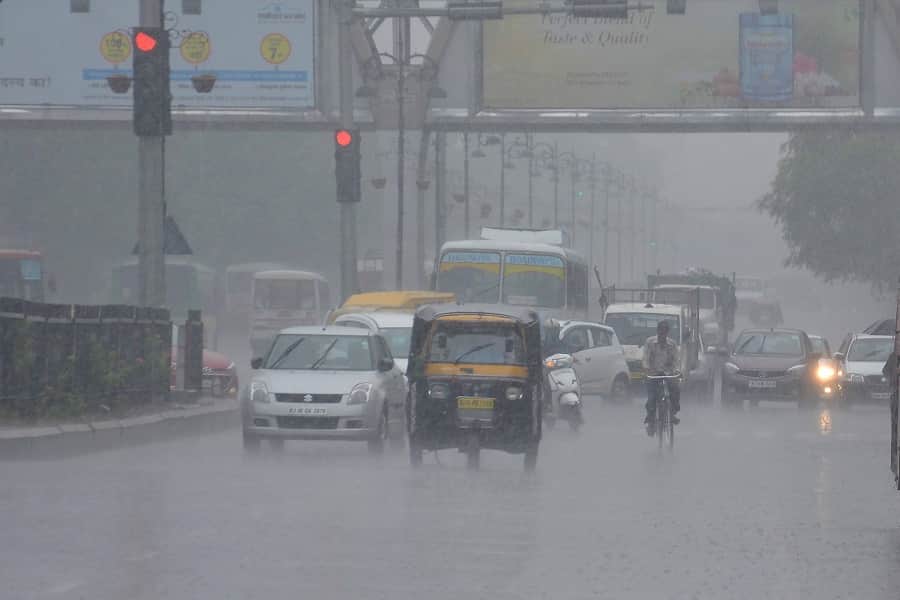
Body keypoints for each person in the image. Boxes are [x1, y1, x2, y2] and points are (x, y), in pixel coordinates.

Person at [643, 320, 680, 434]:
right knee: (651, 399)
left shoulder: (672, 344)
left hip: (668, 374)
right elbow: (646, 359)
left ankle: (672, 413)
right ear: (657, 332)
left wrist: (676, 371)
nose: (662, 335)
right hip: (653, 374)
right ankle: (651, 422)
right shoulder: (650, 342)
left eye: (664, 333)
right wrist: (647, 370)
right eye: (660, 332)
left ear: (667, 333)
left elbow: (676, 360)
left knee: (675, 389)